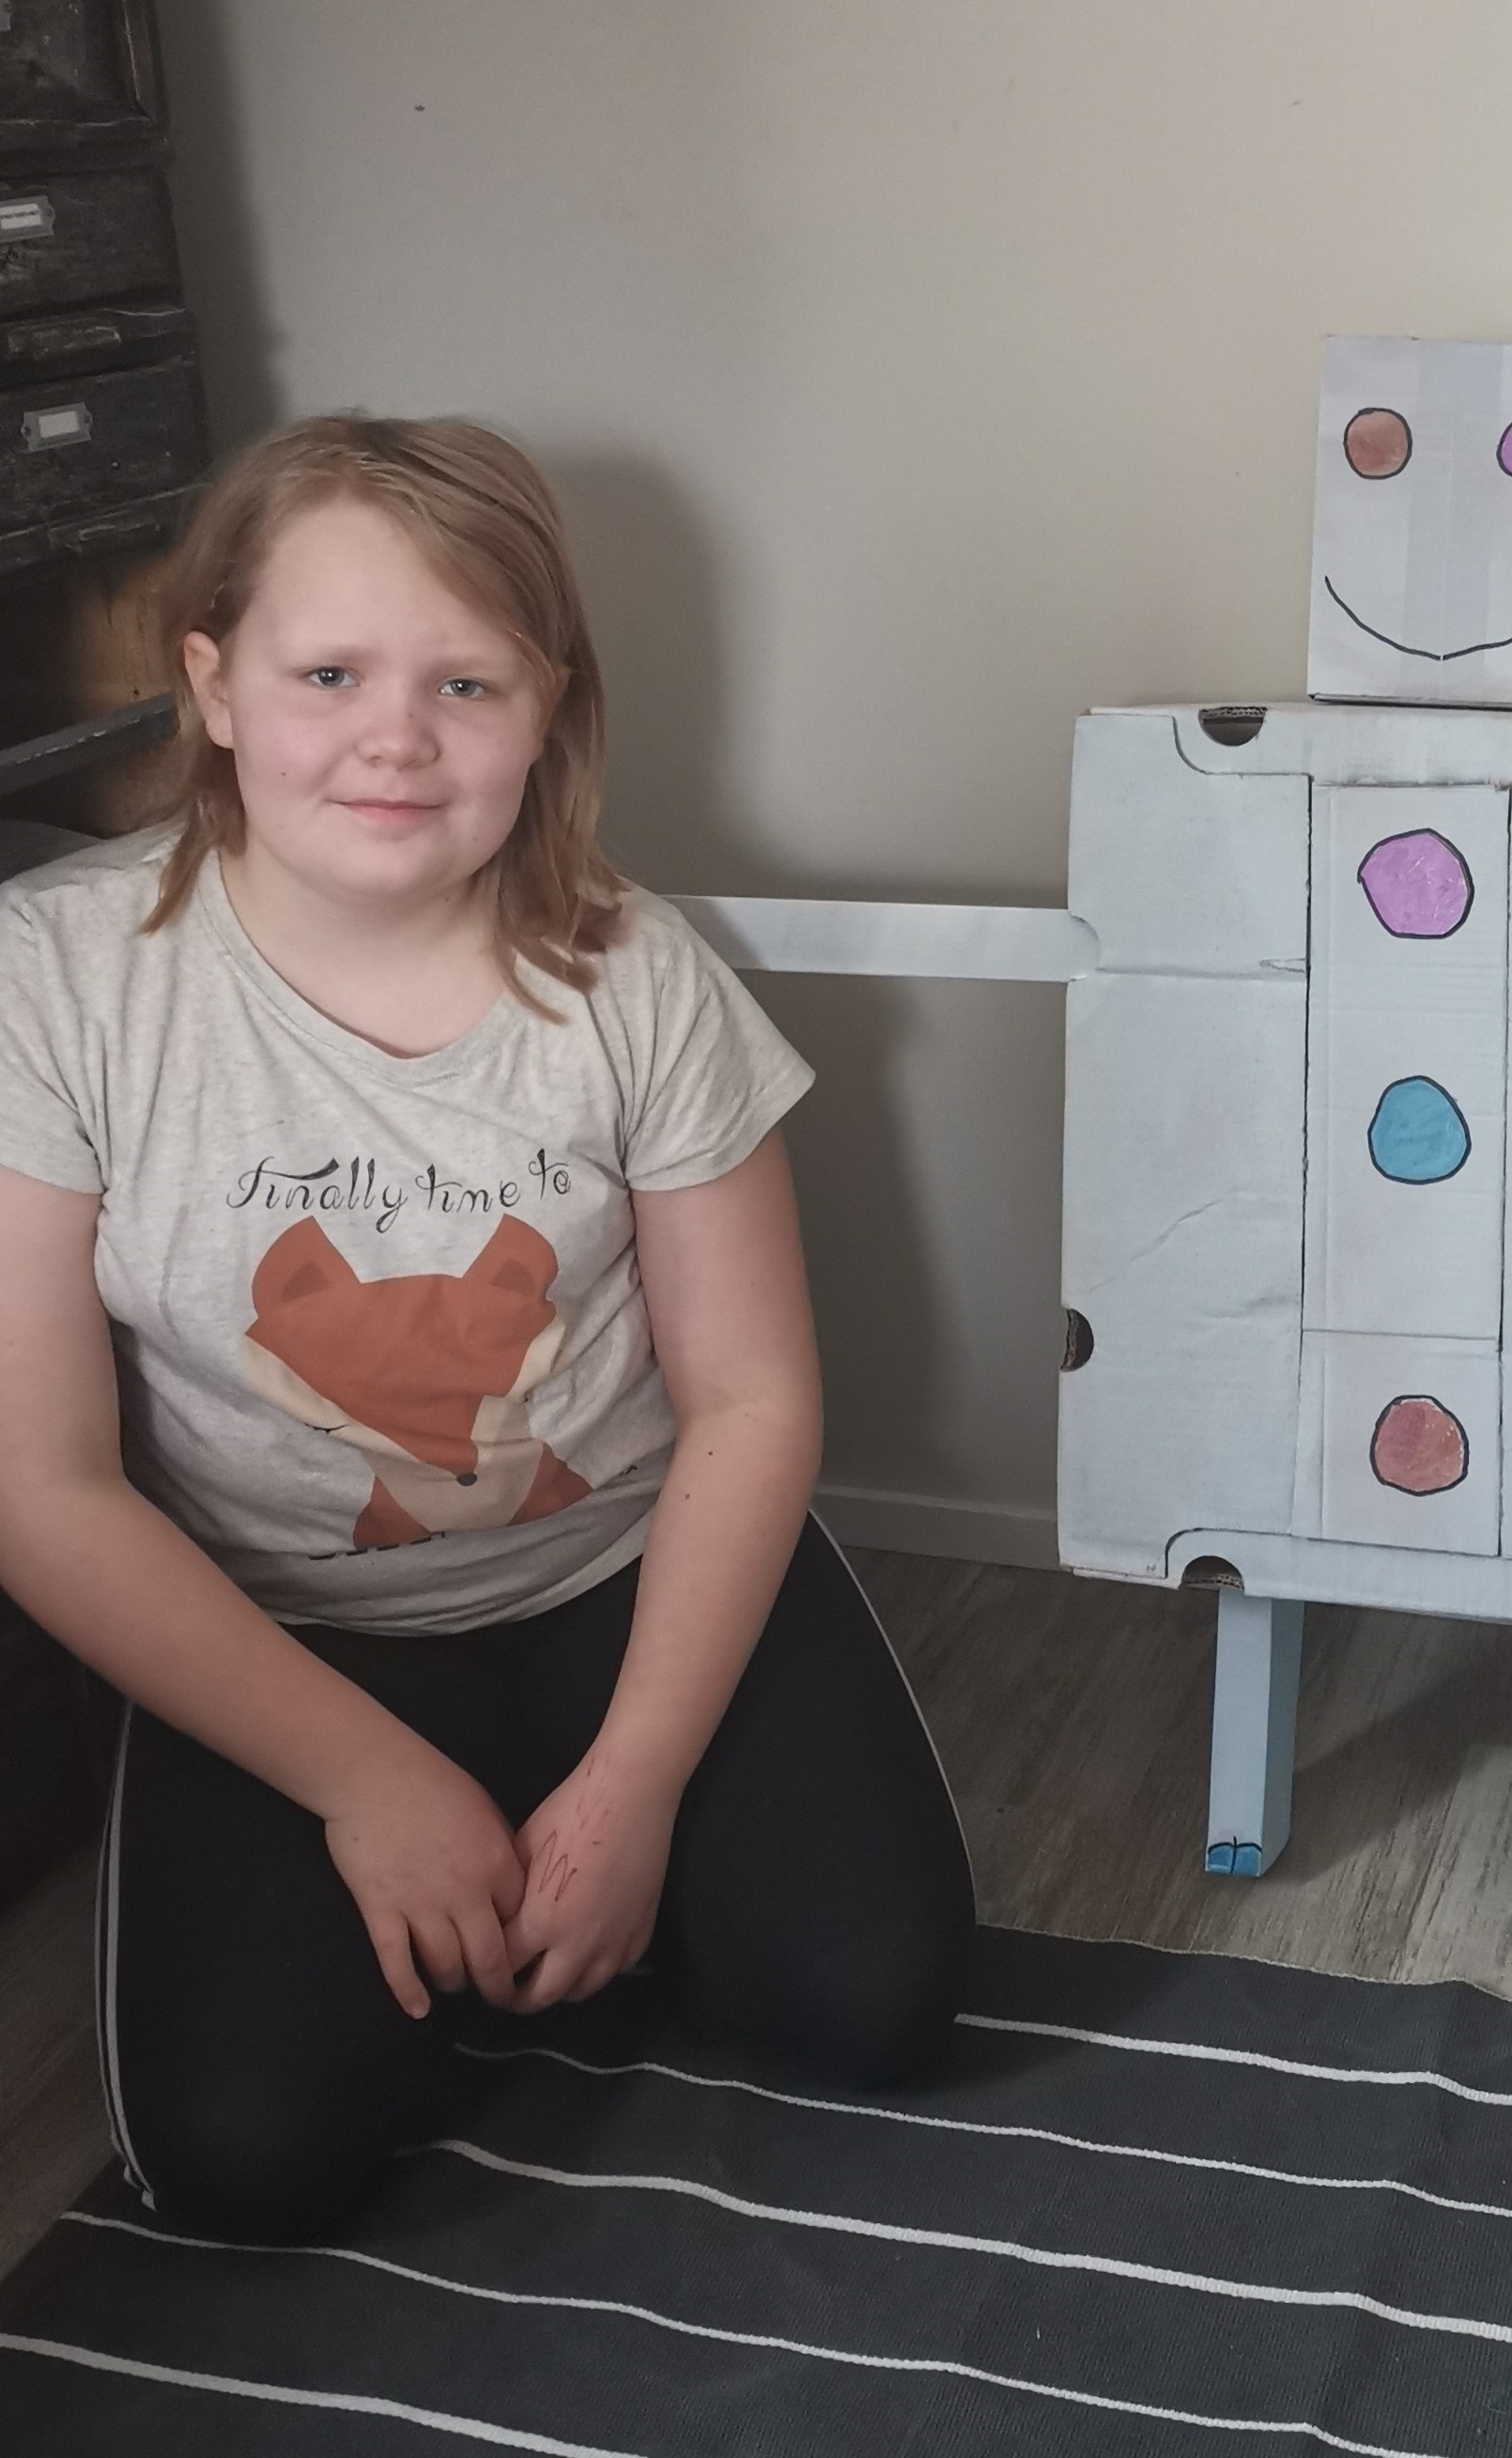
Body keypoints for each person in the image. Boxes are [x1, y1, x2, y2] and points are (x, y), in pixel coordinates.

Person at [0, 416, 974, 2239]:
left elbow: (751, 1397)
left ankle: (564, 1847)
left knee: (869, 1998)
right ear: (211, 686)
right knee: (246, 2156)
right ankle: (469, 1861)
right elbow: (42, 1483)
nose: (396, 735)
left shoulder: (637, 976)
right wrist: (367, 1783)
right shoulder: (54, 982)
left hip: (617, 1569)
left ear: (548, 710)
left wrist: (637, 1780)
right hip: (283, 1620)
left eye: (465, 680)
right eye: (330, 673)